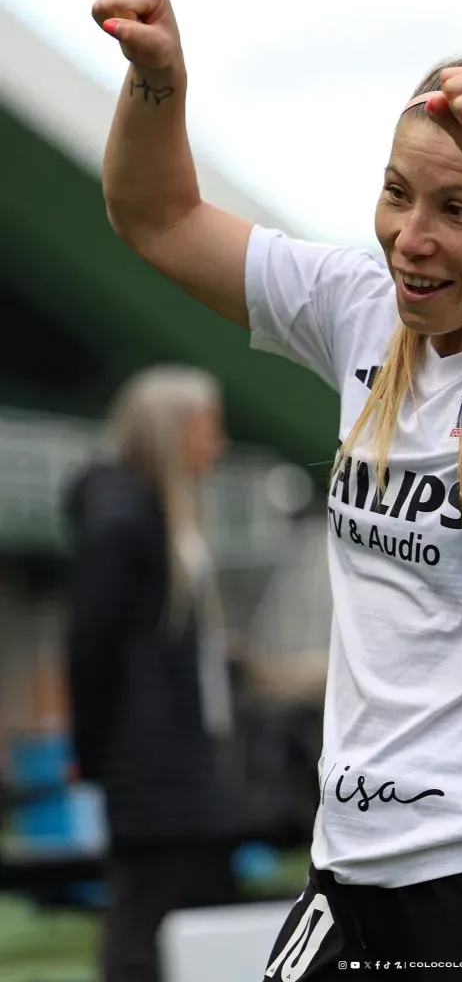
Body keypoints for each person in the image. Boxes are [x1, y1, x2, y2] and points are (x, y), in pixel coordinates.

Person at [91, 0, 462, 981]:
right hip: (348, 880)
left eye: (459, 208)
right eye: (398, 192)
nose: (410, 236)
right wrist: (158, 82)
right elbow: (158, 216)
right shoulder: (359, 308)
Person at [63, 366, 239, 982]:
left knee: (179, 907)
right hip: (148, 760)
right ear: (170, 431)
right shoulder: (122, 519)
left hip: (175, 756)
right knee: (145, 910)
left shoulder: (159, 513)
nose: (215, 445)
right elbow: (91, 645)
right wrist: (93, 750)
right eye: (205, 429)